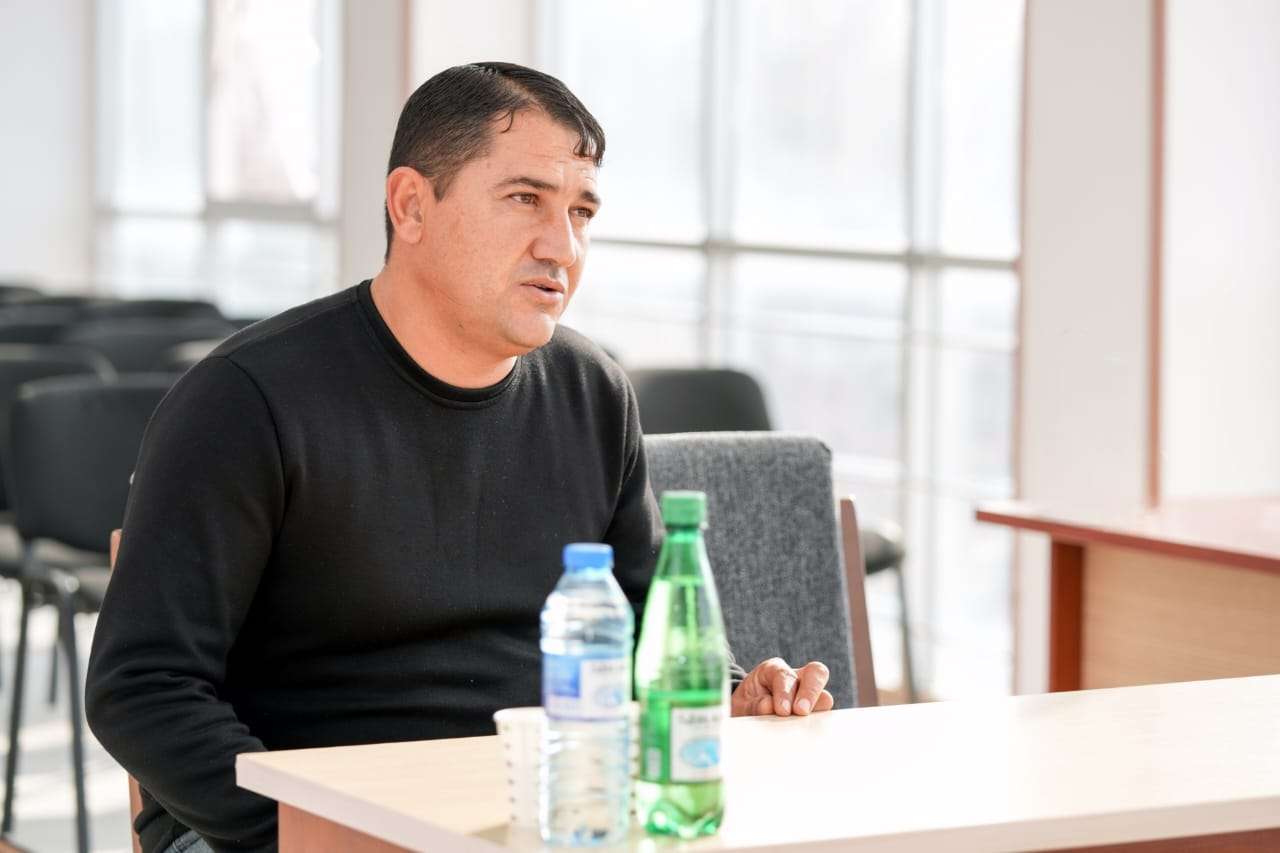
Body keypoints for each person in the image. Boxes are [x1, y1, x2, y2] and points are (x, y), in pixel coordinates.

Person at [85, 62, 834, 853]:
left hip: (536, 816)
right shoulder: (244, 399)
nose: (563, 246)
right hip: (285, 827)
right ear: (412, 205)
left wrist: (730, 696)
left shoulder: (594, 393)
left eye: (581, 211)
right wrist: (310, 831)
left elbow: (650, 632)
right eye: (525, 199)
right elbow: (141, 686)